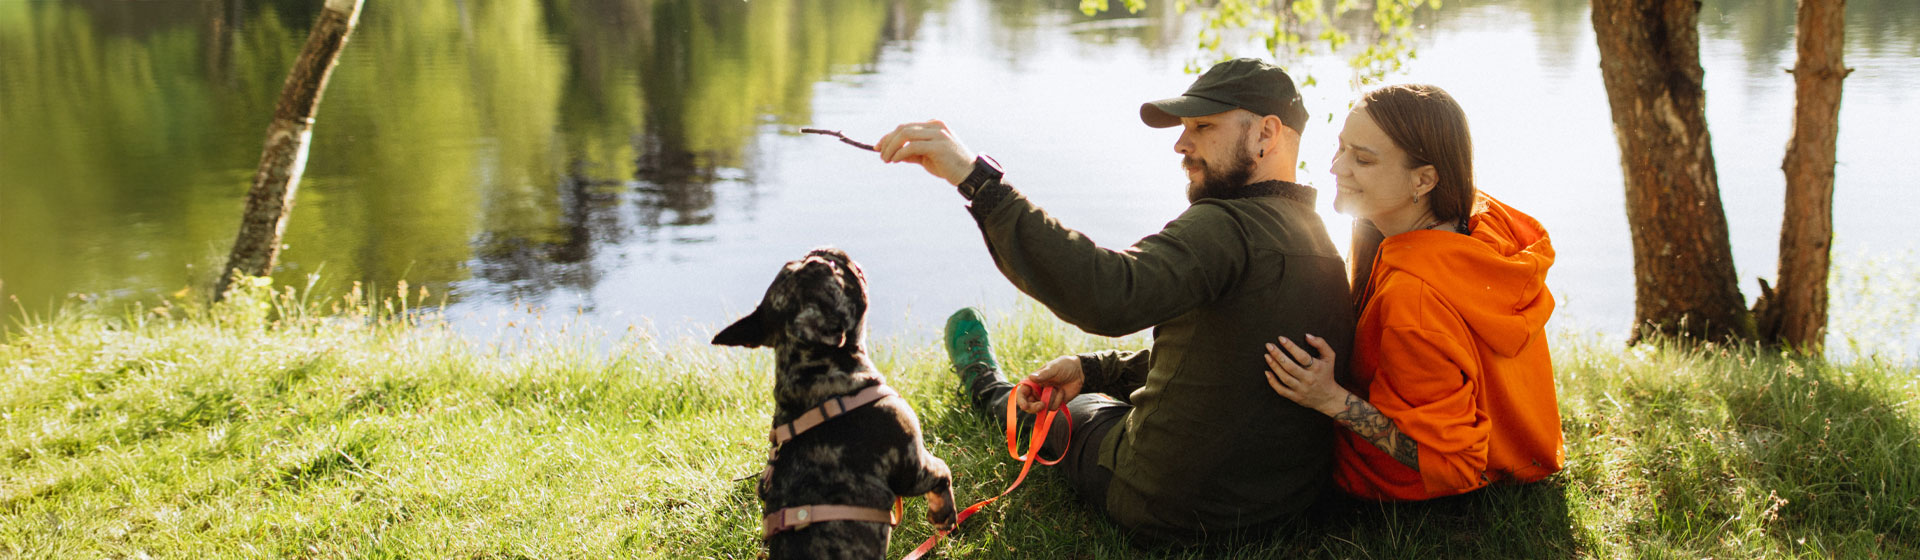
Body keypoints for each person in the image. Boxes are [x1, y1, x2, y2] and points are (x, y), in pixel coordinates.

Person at [875, 58, 1356, 544]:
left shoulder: (1224, 226)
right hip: (1278, 512)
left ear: (1266, 134)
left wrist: (977, 181)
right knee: (1090, 387)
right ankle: (1042, 387)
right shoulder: (1325, 247)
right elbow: (1231, 360)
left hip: (1169, 506)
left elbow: (1106, 292)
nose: (1181, 144)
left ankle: (988, 387)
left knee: (1064, 410)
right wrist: (1096, 367)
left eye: (1203, 126)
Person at [1261, 83, 1563, 502]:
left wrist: (1330, 399)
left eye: (1362, 159)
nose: (1336, 168)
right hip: (1520, 450)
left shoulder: (1413, 299)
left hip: (1411, 481)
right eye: (1342, 147)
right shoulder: (1483, 217)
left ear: (1424, 180)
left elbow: (1456, 464)